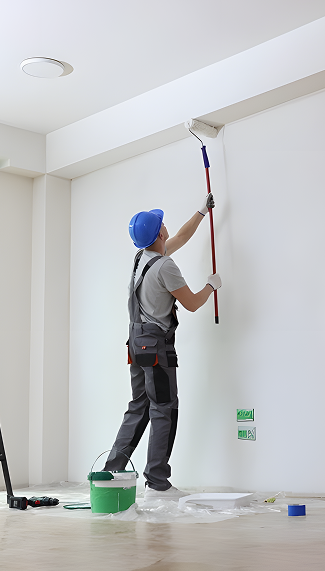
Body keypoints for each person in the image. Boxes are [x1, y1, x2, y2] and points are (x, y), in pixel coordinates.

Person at [103, 194, 221, 499]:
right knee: (164, 409)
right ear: (159, 234)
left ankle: (111, 473)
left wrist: (201, 211)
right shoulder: (165, 266)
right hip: (157, 350)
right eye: (162, 224)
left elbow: (181, 236)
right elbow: (192, 303)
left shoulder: (142, 258)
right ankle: (157, 482)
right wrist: (212, 285)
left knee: (138, 408)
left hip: (137, 345)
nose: (167, 227)